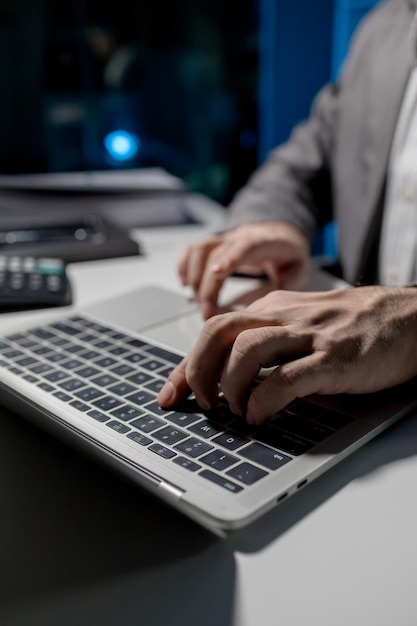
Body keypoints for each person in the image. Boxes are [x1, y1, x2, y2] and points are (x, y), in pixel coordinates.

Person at [157, 0, 417, 425]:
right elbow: (310, 154)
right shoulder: (385, 25)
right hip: (357, 406)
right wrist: (272, 221)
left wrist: (406, 324)